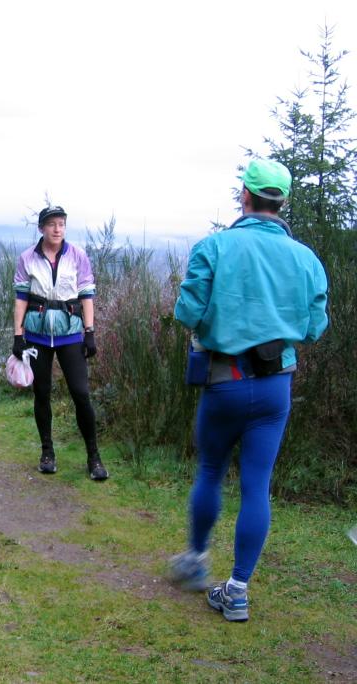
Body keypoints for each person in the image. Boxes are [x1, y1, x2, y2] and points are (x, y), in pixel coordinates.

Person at [169, 158, 328, 621]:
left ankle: (196, 562)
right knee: (258, 485)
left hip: (225, 382)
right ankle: (237, 590)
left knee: (211, 470)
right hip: (276, 385)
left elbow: (187, 311)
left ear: (245, 195)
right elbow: (315, 327)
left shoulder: (214, 247)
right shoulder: (306, 259)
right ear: (283, 201)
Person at [12, 205, 108, 480]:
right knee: (41, 393)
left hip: (70, 334)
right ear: (42, 228)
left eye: (62, 224)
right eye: (52, 224)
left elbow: (86, 294)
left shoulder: (77, 256)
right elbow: (21, 298)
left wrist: (89, 332)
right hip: (37, 336)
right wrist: (18, 335)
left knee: (81, 393)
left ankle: (94, 458)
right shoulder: (27, 258)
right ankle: (47, 453)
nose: (57, 229)